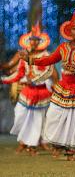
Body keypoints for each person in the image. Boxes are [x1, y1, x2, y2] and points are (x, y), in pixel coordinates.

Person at [20, 7, 75, 160]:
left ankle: (71, 149)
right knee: (54, 116)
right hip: (63, 87)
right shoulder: (62, 47)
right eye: (74, 29)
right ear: (70, 30)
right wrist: (30, 60)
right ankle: (57, 144)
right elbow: (49, 60)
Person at [1, 23, 54, 156]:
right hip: (26, 91)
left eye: (36, 40)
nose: (34, 42)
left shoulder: (45, 55)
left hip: (41, 92)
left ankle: (32, 145)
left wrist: (41, 81)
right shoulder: (23, 56)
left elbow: (49, 72)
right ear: (28, 41)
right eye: (32, 40)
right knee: (20, 115)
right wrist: (3, 79)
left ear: (40, 41)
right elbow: (17, 73)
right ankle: (24, 142)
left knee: (37, 120)